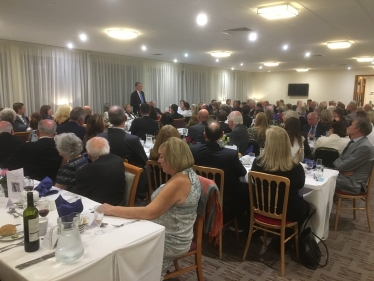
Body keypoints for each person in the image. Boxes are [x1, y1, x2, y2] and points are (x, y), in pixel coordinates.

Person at [101, 137, 201, 279]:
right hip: (175, 233)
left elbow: (149, 212)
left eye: (162, 157)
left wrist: (111, 209)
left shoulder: (179, 182)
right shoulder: (188, 173)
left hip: (170, 241)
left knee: (123, 247)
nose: (159, 160)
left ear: (173, 158)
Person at [251, 126, 310, 228]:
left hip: (261, 207)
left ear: (268, 143)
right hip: (287, 211)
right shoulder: (295, 167)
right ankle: (293, 239)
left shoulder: (257, 163)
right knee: (309, 206)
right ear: (286, 143)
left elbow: (253, 180)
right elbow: (300, 185)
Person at [190, 120, 247, 222]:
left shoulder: (194, 150)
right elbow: (242, 173)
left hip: (201, 193)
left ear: (204, 134)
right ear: (222, 135)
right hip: (224, 197)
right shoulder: (230, 154)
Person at [71, 137, 126, 205]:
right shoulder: (118, 159)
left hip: (99, 208)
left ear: (88, 153)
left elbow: (79, 195)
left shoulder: (86, 170)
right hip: (119, 202)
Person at [333, 118, 374, 194]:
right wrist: (341, 170)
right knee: (322, 176)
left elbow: (341, 165)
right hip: (344, 177)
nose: (348, 127)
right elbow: (340, 159)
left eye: (351, 125)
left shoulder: (364, 147)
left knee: (324, 179)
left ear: (357, 129)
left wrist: (340, 168)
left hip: (353, 183)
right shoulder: (354, 142)